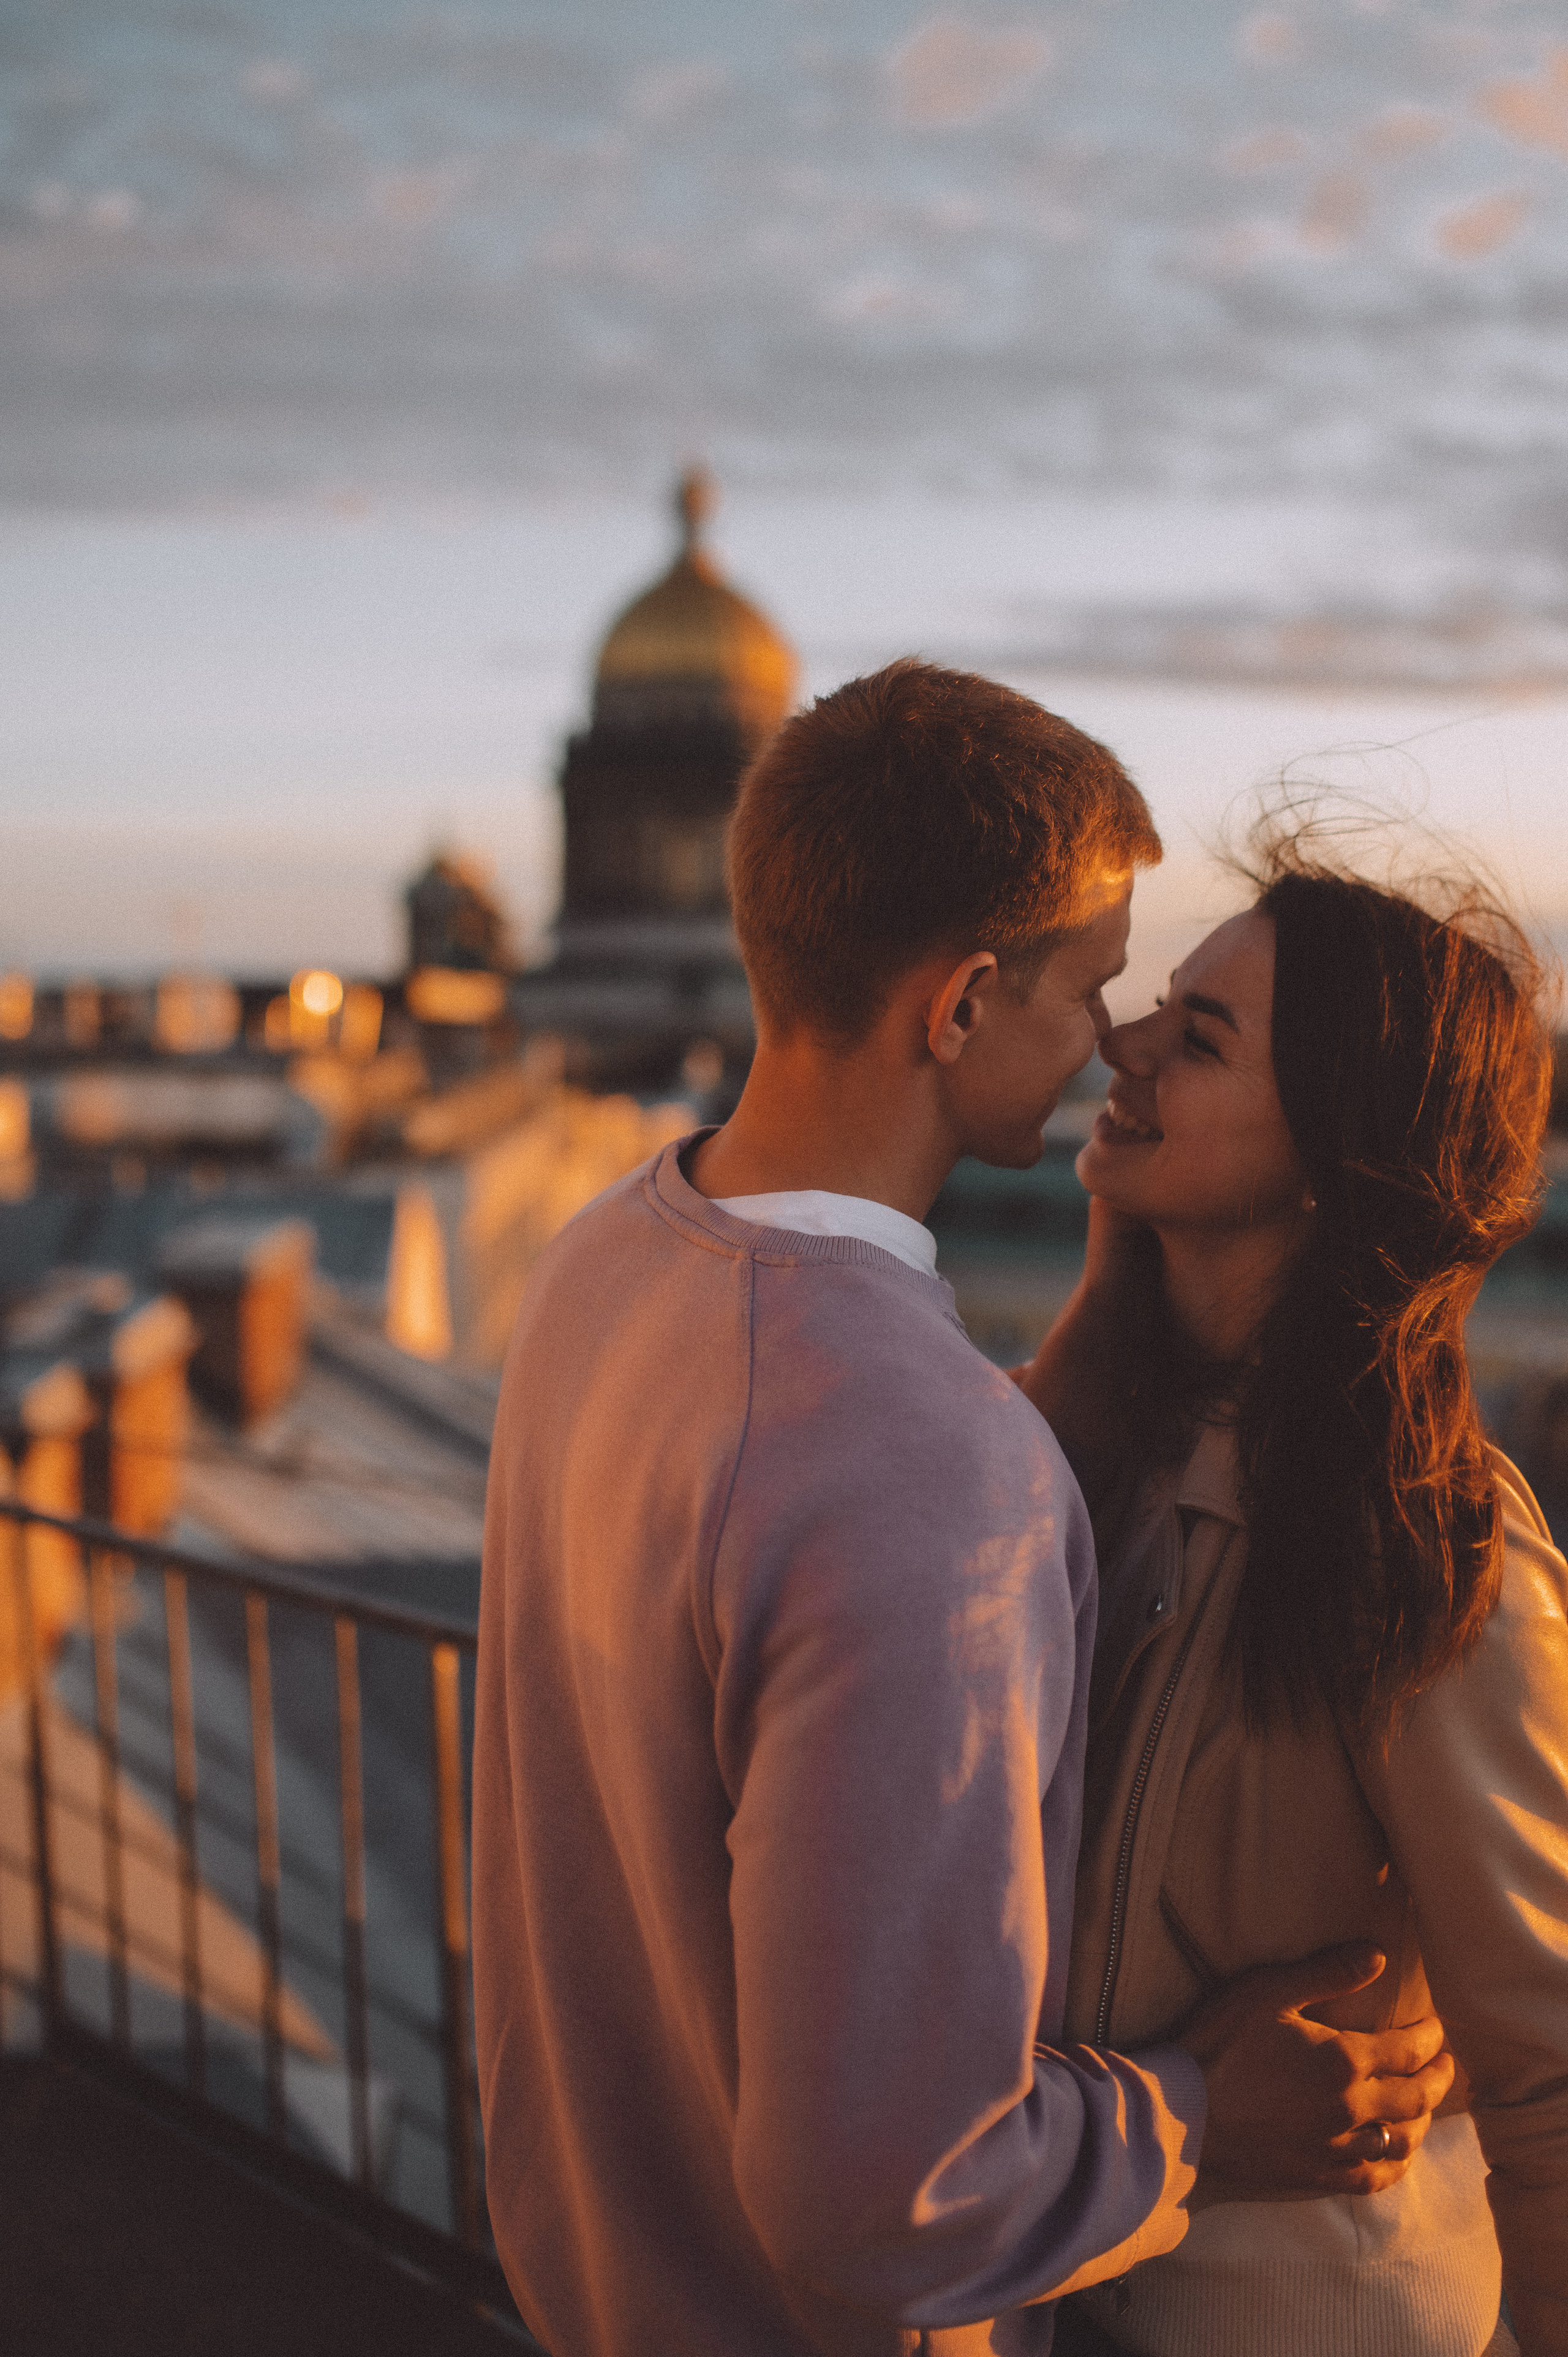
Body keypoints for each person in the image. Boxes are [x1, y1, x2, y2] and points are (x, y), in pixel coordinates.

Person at [472, 665, 1453, 2357]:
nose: (1109, 1043)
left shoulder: (606, 1262)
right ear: (965, 1002)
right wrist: (1202, 2111)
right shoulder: (930, 1470)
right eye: (1089, 988)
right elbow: (890, 2205)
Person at [1018, 836, 1568, 2356]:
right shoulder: (1078, 1459)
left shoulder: (1431, 1549)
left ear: (1334, 1152)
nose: (1116, 1043)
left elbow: (1548, 2073)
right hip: (1053, 2302)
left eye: (1195, 1039)